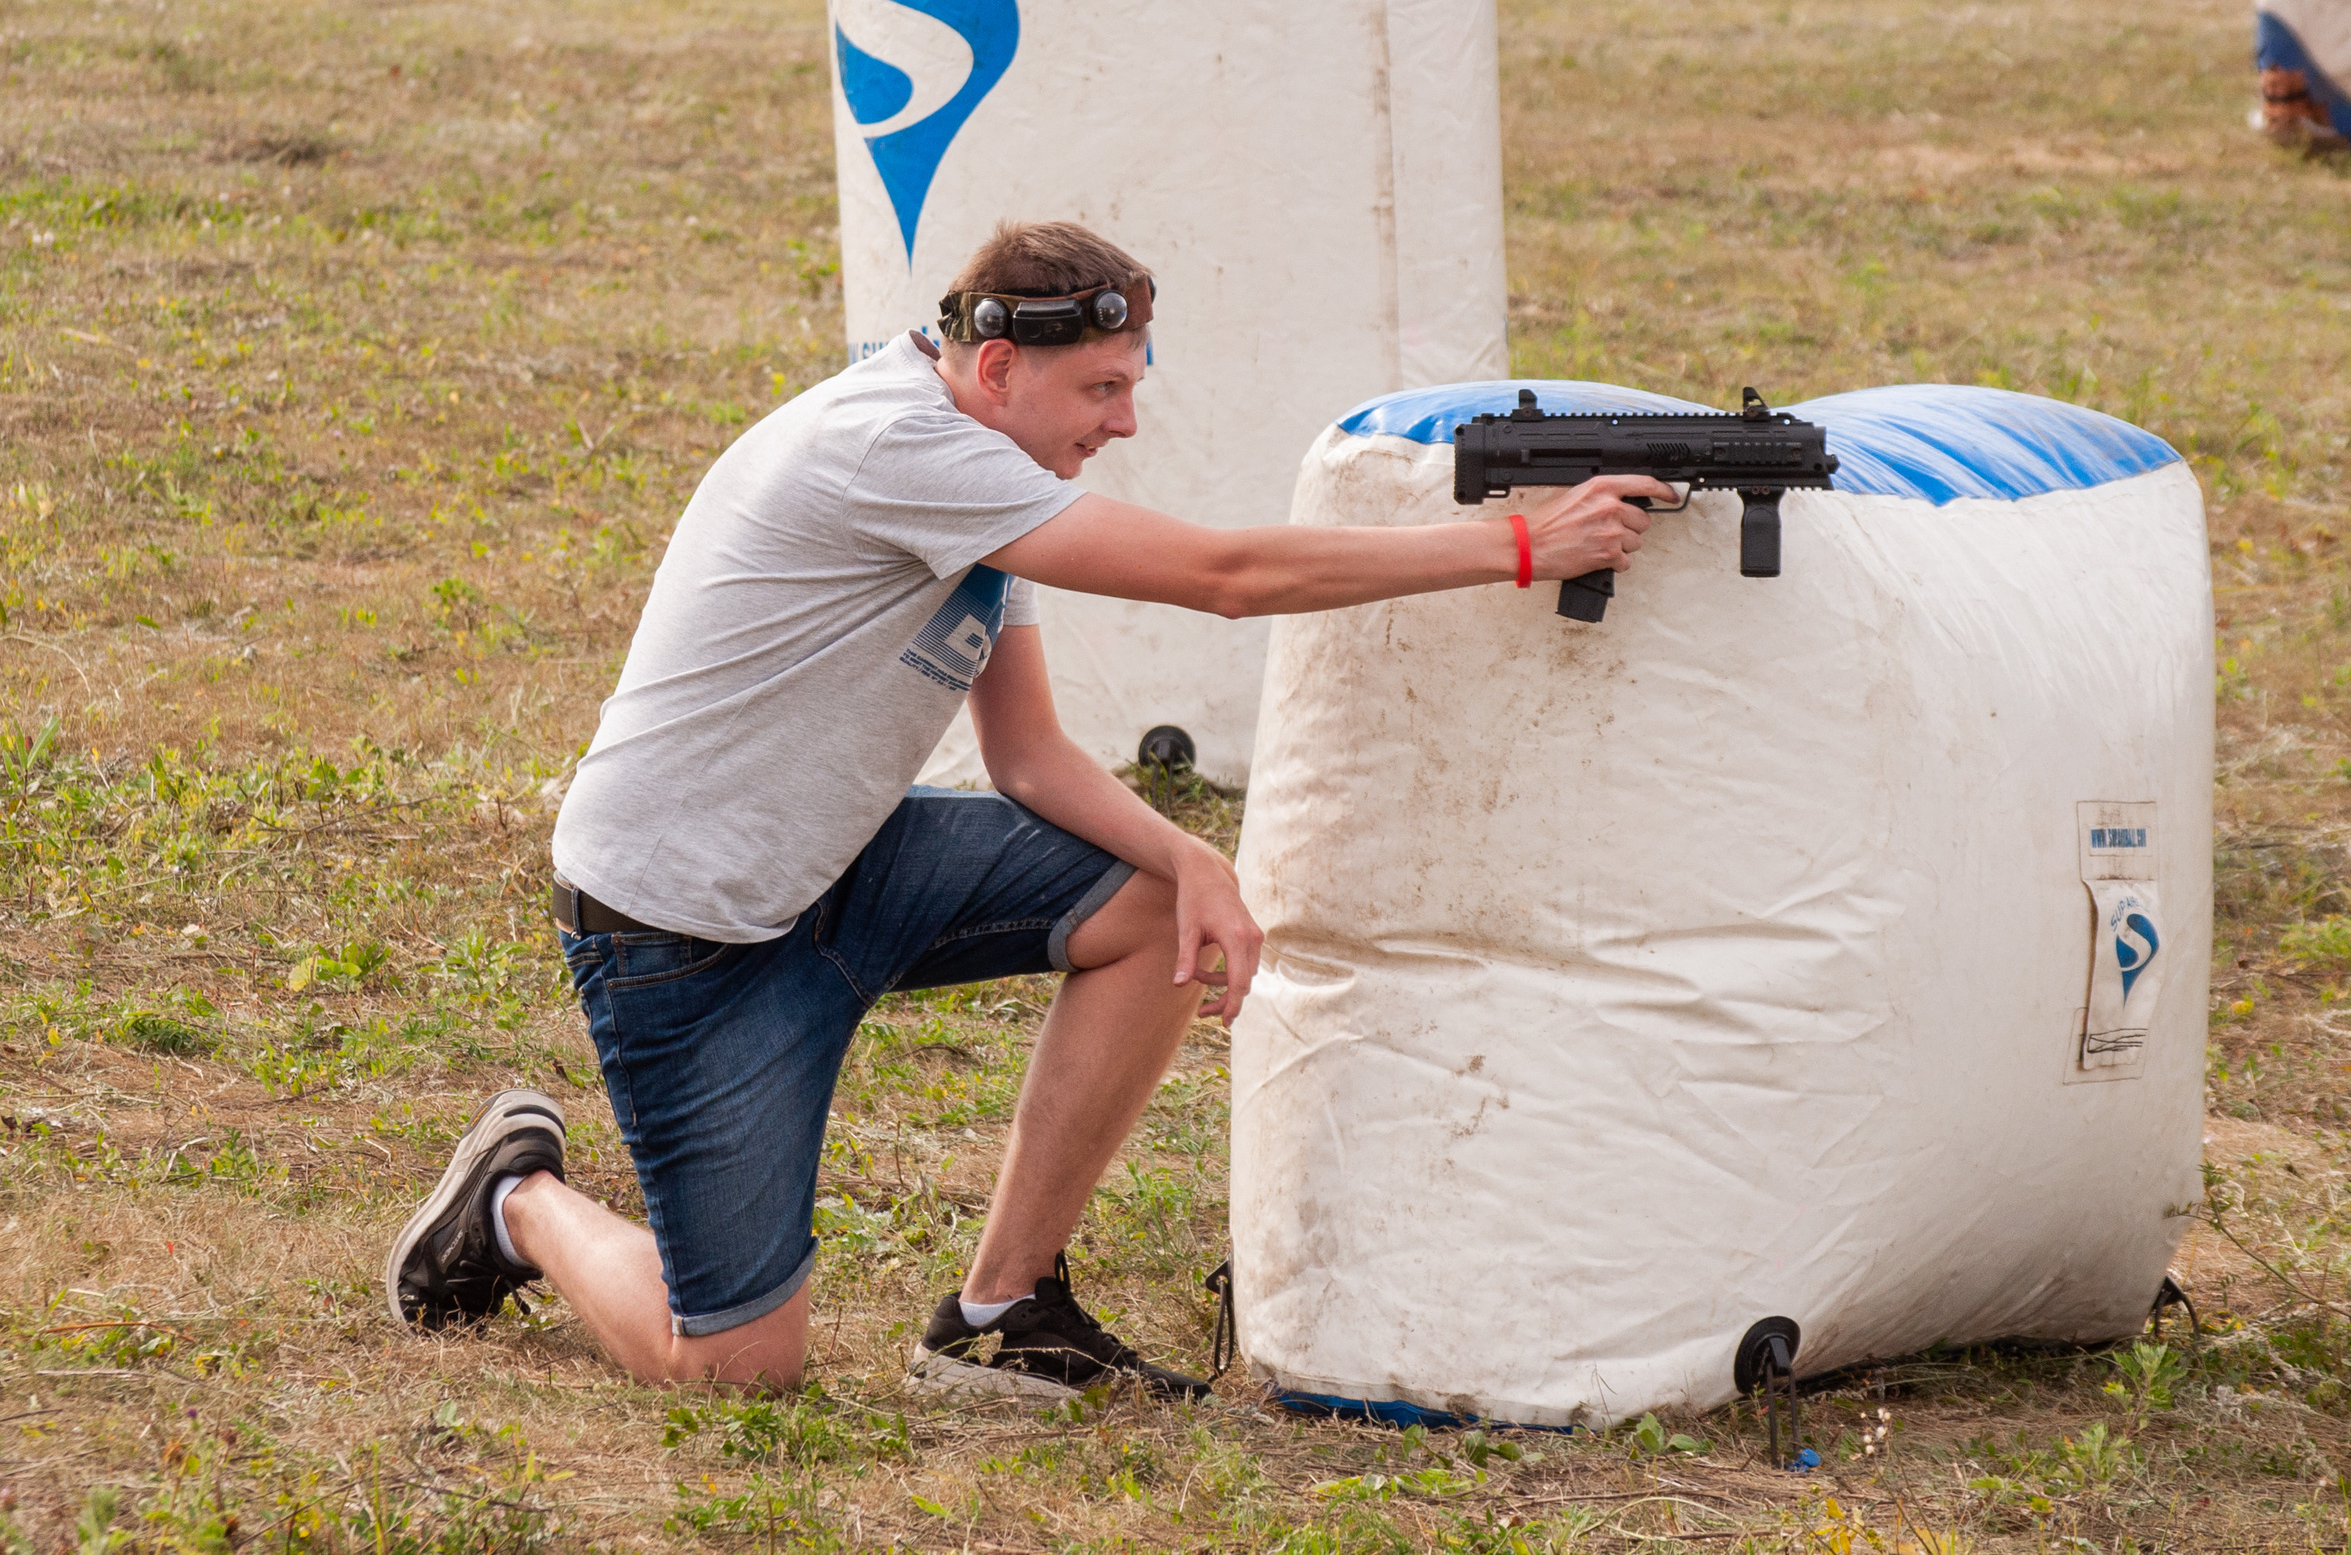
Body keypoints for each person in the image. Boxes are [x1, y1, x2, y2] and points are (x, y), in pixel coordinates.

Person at [384, 220, 1667, 1396]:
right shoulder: (899, 445)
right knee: (733, 1369)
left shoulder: (990, 466)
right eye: (1101, 390)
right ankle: (518, 1199)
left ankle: (1001, 1314)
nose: (1120, 424)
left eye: (1128, 388)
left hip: (838, 867)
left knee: (1152, 899)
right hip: (681, 934)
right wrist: (1515, 546)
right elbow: (1222, 578)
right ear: (996, 366)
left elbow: (1030, 756)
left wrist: (1190, 859)